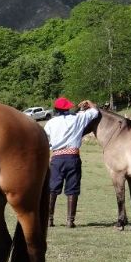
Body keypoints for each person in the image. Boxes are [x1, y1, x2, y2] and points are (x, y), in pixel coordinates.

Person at [44, 97, 100, 228]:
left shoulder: (50, 123)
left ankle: (49, 219)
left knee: (52, 188)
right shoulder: (78, 118)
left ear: (56, 109)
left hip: (57, 158)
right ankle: (70, 221)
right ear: (68, 108)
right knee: (72, 189)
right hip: (73, 157)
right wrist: (89, 102)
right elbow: (95, 111)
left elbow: (46, 139)